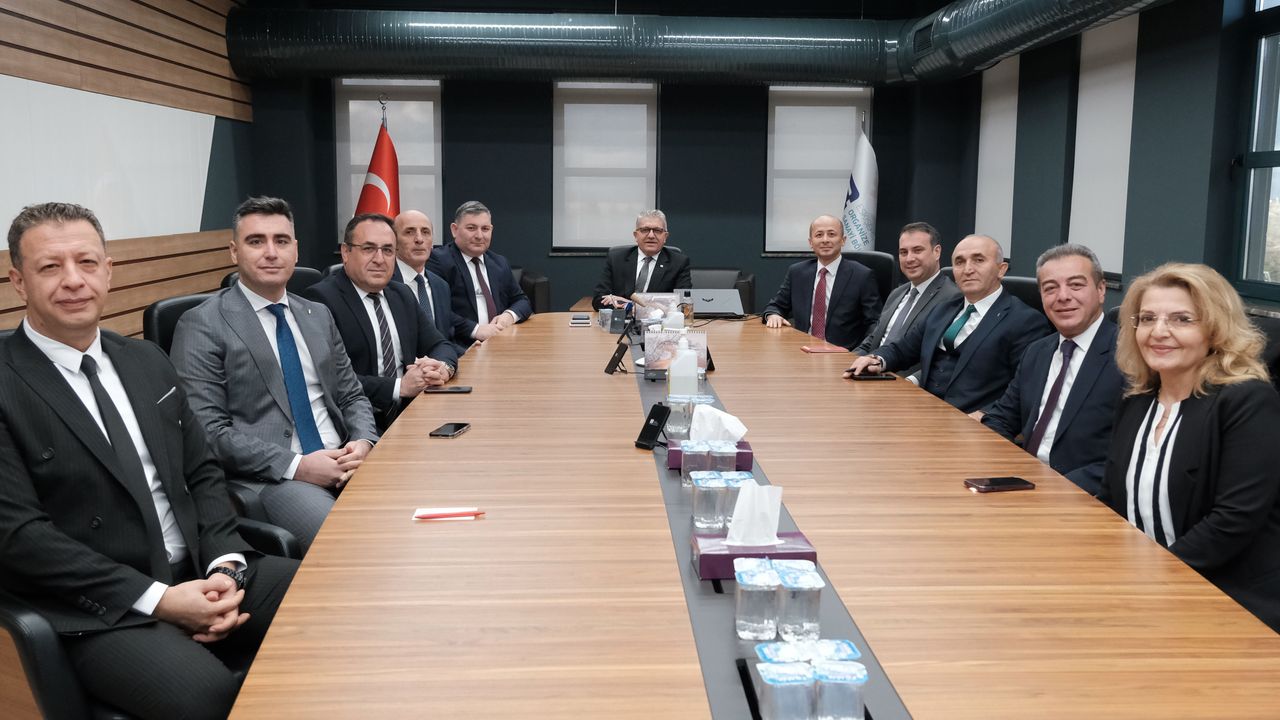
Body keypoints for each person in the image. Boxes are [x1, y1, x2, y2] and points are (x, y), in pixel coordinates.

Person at [0, 202, 297, 719]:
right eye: (50, 267)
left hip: (202, 568)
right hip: (103, 604)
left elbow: (202, 473)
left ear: (108, 271)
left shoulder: (146, 360)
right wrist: (159, 598)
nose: (73, 280)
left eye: (87, 262)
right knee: (212, 698)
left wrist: (226, 565)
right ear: (19, 282)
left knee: (340, 603)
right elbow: (21, 537)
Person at [171, 196, 378, 554]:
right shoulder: (202, 324)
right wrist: (298, 465)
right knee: (352, 544)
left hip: (346, 460)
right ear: (234, 252)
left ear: (295, 250)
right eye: (256, 241)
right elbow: (208, 431)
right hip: (274, 477)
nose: (271, 252)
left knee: (416, 511)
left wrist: (362, 442)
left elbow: (351, 395)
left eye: (281, 241)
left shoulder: (317, 315)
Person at [1098, 262, 1280, 632]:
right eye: (1147, 319)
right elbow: (1111, 499)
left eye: (1182, 319)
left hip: (1227, 600)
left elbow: (1232, 521)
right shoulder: (1137, 401)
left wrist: (1144, 580)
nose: (1158, 332)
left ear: (1215, 329)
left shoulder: (1247, 401)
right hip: (1147, 590)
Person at [845, 234, 1052, 414]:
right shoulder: (943, 310)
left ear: (1001, 269)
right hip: (923, 411)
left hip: (973, 425)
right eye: (959, 262)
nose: (968, 269)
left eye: (978, 260)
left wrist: (986, 414)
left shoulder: (1026, 321)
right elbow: (903, 349)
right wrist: (876, 359)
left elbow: (1026, 389)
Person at [980, 244, 1124, 494]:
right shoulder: (1037, 351)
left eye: (1076, 285)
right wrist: (1003, 466)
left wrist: (1053, 488)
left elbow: (1126, 455)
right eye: (1050, 288)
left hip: (1083, 495)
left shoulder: (1128, 357)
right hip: (1022, 483)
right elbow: (1001, 418)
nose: (1063, 296)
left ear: (1101, 290)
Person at [303, 213, 460, 430]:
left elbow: (440, 344)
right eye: (368, 249)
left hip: (411, 415)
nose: (379, 259)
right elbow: (329, 379)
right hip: (356, 424)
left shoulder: (402, 294)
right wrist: (398, 387)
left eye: (387, 250)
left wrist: (441, 368)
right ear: (346, 252)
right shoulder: (321, 300)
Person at [854, 221, 961, 375]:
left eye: (917, 250)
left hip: (903, 381)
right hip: (870, 373)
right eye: (903, 252)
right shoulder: (897, 293)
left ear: (936, 252)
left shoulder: (952, 297)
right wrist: (848, 362)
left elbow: (938, 359)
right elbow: (872, 341)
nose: (909, 259)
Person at [762, 214, 881, 349]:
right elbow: (776, 305)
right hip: (801, 349)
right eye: (819, 235)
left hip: (842, 353)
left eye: (831, 234)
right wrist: (773, 315)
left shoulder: (862, 275)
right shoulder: (797, 272)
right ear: (810, 242)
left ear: (843, 240)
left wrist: (861, 352)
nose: (825, 240)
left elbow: (874, 323)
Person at [426, 201, 532, 342]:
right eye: (471, 228)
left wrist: (508, 316)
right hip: (461, 345)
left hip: (501, 341)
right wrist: (475, 330)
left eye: (485, 229)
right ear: (454, 230)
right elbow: (436, 310)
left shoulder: (499, 262)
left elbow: (522, 301)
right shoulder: (438, 260)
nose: (479, 235)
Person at [391, 209, 470, 353]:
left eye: (425, 232)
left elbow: (443, 340)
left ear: (432, 242)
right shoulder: (385, 284)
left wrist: (469, 354)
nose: (419, 239)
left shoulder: (441, 286)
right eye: (409, 232)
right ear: (394, 241)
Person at [593, 209, 692, 309]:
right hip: (622, 317)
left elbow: (682, 303)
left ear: (665, 236)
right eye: (645, 230)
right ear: (636, 235)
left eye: (657, 231)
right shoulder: (616, 259)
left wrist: (630, 305)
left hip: (657, 318)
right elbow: (599, 299)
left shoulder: (678, 263)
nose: (651, 236)